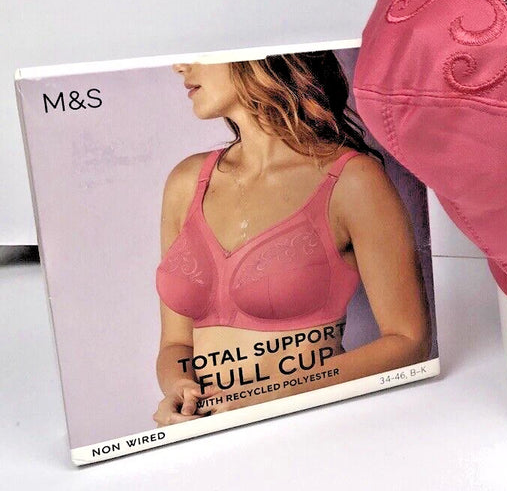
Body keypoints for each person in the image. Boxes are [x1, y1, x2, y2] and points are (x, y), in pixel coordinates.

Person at [153, 52, 430, 425]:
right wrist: (179, 388)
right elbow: (176, 344)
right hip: (206, 428)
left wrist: (264, 400)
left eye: (200, 51)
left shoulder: (351, 181)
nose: (179, 66)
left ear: (256, 53)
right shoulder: (187, 182)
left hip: (311, 425)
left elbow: (409, 343)